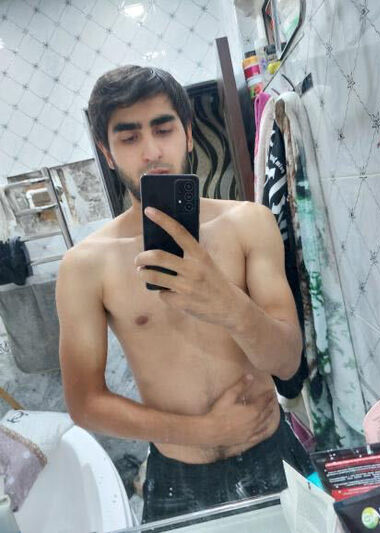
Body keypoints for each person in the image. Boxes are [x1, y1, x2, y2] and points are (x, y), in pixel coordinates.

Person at [56, 65, 312, 523]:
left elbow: (288, 361)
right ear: (107, 152)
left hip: (274, 453)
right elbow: (85, 402)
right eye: (129, 137)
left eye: (163, 129)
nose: (151, 151)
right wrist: (206, 430)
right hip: (176, 476)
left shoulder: (249, 223)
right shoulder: (85, 266)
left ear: (188, 134)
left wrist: (228, 305)